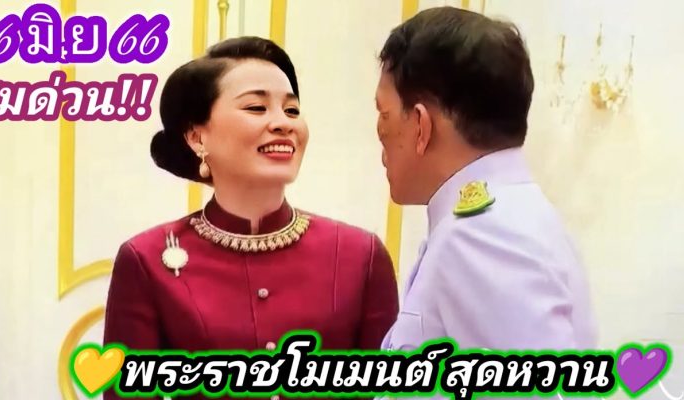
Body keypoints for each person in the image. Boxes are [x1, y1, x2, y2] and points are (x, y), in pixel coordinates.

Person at [103, 36, 399, 399]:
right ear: (197, 137)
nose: (283, 123)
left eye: (292, 110)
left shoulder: (360, 256)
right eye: (257, 107)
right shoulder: (145, 260)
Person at [376, 7, 597, 357]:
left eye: (384, 114)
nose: (380, 134)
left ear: (420, 125)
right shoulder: (510, 214)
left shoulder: (480, 234)